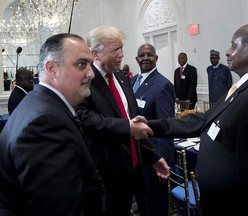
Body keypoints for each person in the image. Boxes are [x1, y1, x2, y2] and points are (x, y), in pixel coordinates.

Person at [148, 22, 248, 216]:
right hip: (215, 202)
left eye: (233, 45)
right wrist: (149, 126)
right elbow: (203, 120)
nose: (228, 52)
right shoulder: (244, 88)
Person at [0, 33, 105, 216]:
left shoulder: (39, 103)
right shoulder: (46, 123)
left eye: (90, 64)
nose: (91, 73)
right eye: (81, 64)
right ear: (52, 68)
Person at [75, 26, 170, 216]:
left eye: (121, 48)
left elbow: (134, 123)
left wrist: (154, 156)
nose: (122, 54)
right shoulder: (84, 80)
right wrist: (126, 127)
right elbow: (82, 117)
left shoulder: (123, 79)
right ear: (96, 54)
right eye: (115, 50)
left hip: (131, 168)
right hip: (104, 174)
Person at [131, 43, 176, 216]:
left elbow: (166, 126)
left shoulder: (163, 85)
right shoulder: (132, 81)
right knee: (142, 204)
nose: (145, 58)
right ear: (136, 59)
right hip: (135, 156)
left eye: (150, 55)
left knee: (155, 206)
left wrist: (163, 161)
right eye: (142, 55)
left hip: (153, 159)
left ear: (156, 58)